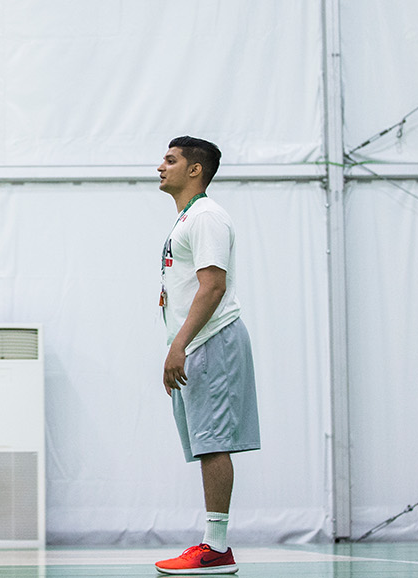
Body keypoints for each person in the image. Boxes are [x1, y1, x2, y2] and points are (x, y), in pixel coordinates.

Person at [152, 136, 260, 576]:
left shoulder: (208, 217)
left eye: (170, 160)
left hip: (211, 339)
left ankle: (216, 548)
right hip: (195, 343)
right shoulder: (189, 218)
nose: (161, 166)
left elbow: (213, 285)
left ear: (195, 170)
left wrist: (179, 344)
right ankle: (214, 545)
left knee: (213, 442)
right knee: (204, 442)